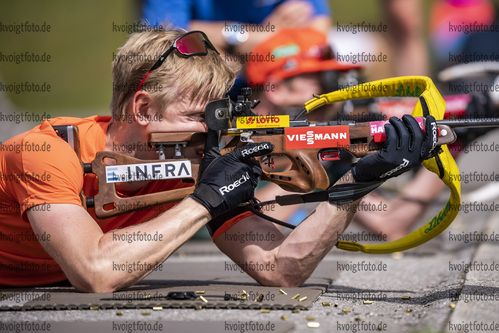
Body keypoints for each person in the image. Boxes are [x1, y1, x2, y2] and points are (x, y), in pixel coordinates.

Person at [0, 27, 437, 292]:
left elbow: (281, 269)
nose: (211, 131)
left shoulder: (194, 159)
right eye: (197, 116)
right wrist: (205, 200)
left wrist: (354, 186)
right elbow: (95, 273)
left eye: (218, 116)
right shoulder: (45, 153)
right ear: (145, 109)